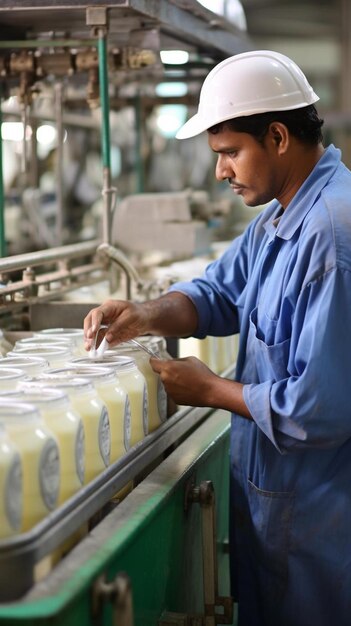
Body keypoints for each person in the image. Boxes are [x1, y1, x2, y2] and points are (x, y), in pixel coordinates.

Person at [84, 50, 351, 626]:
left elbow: (321, 410)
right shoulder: (279, 220)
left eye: (230, 153)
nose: (220, 171)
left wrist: (210, 390)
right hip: (276, 507)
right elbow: (218, 295)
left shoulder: (331, 236)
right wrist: (146, 313)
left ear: (277, 136)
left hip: (322, 525)